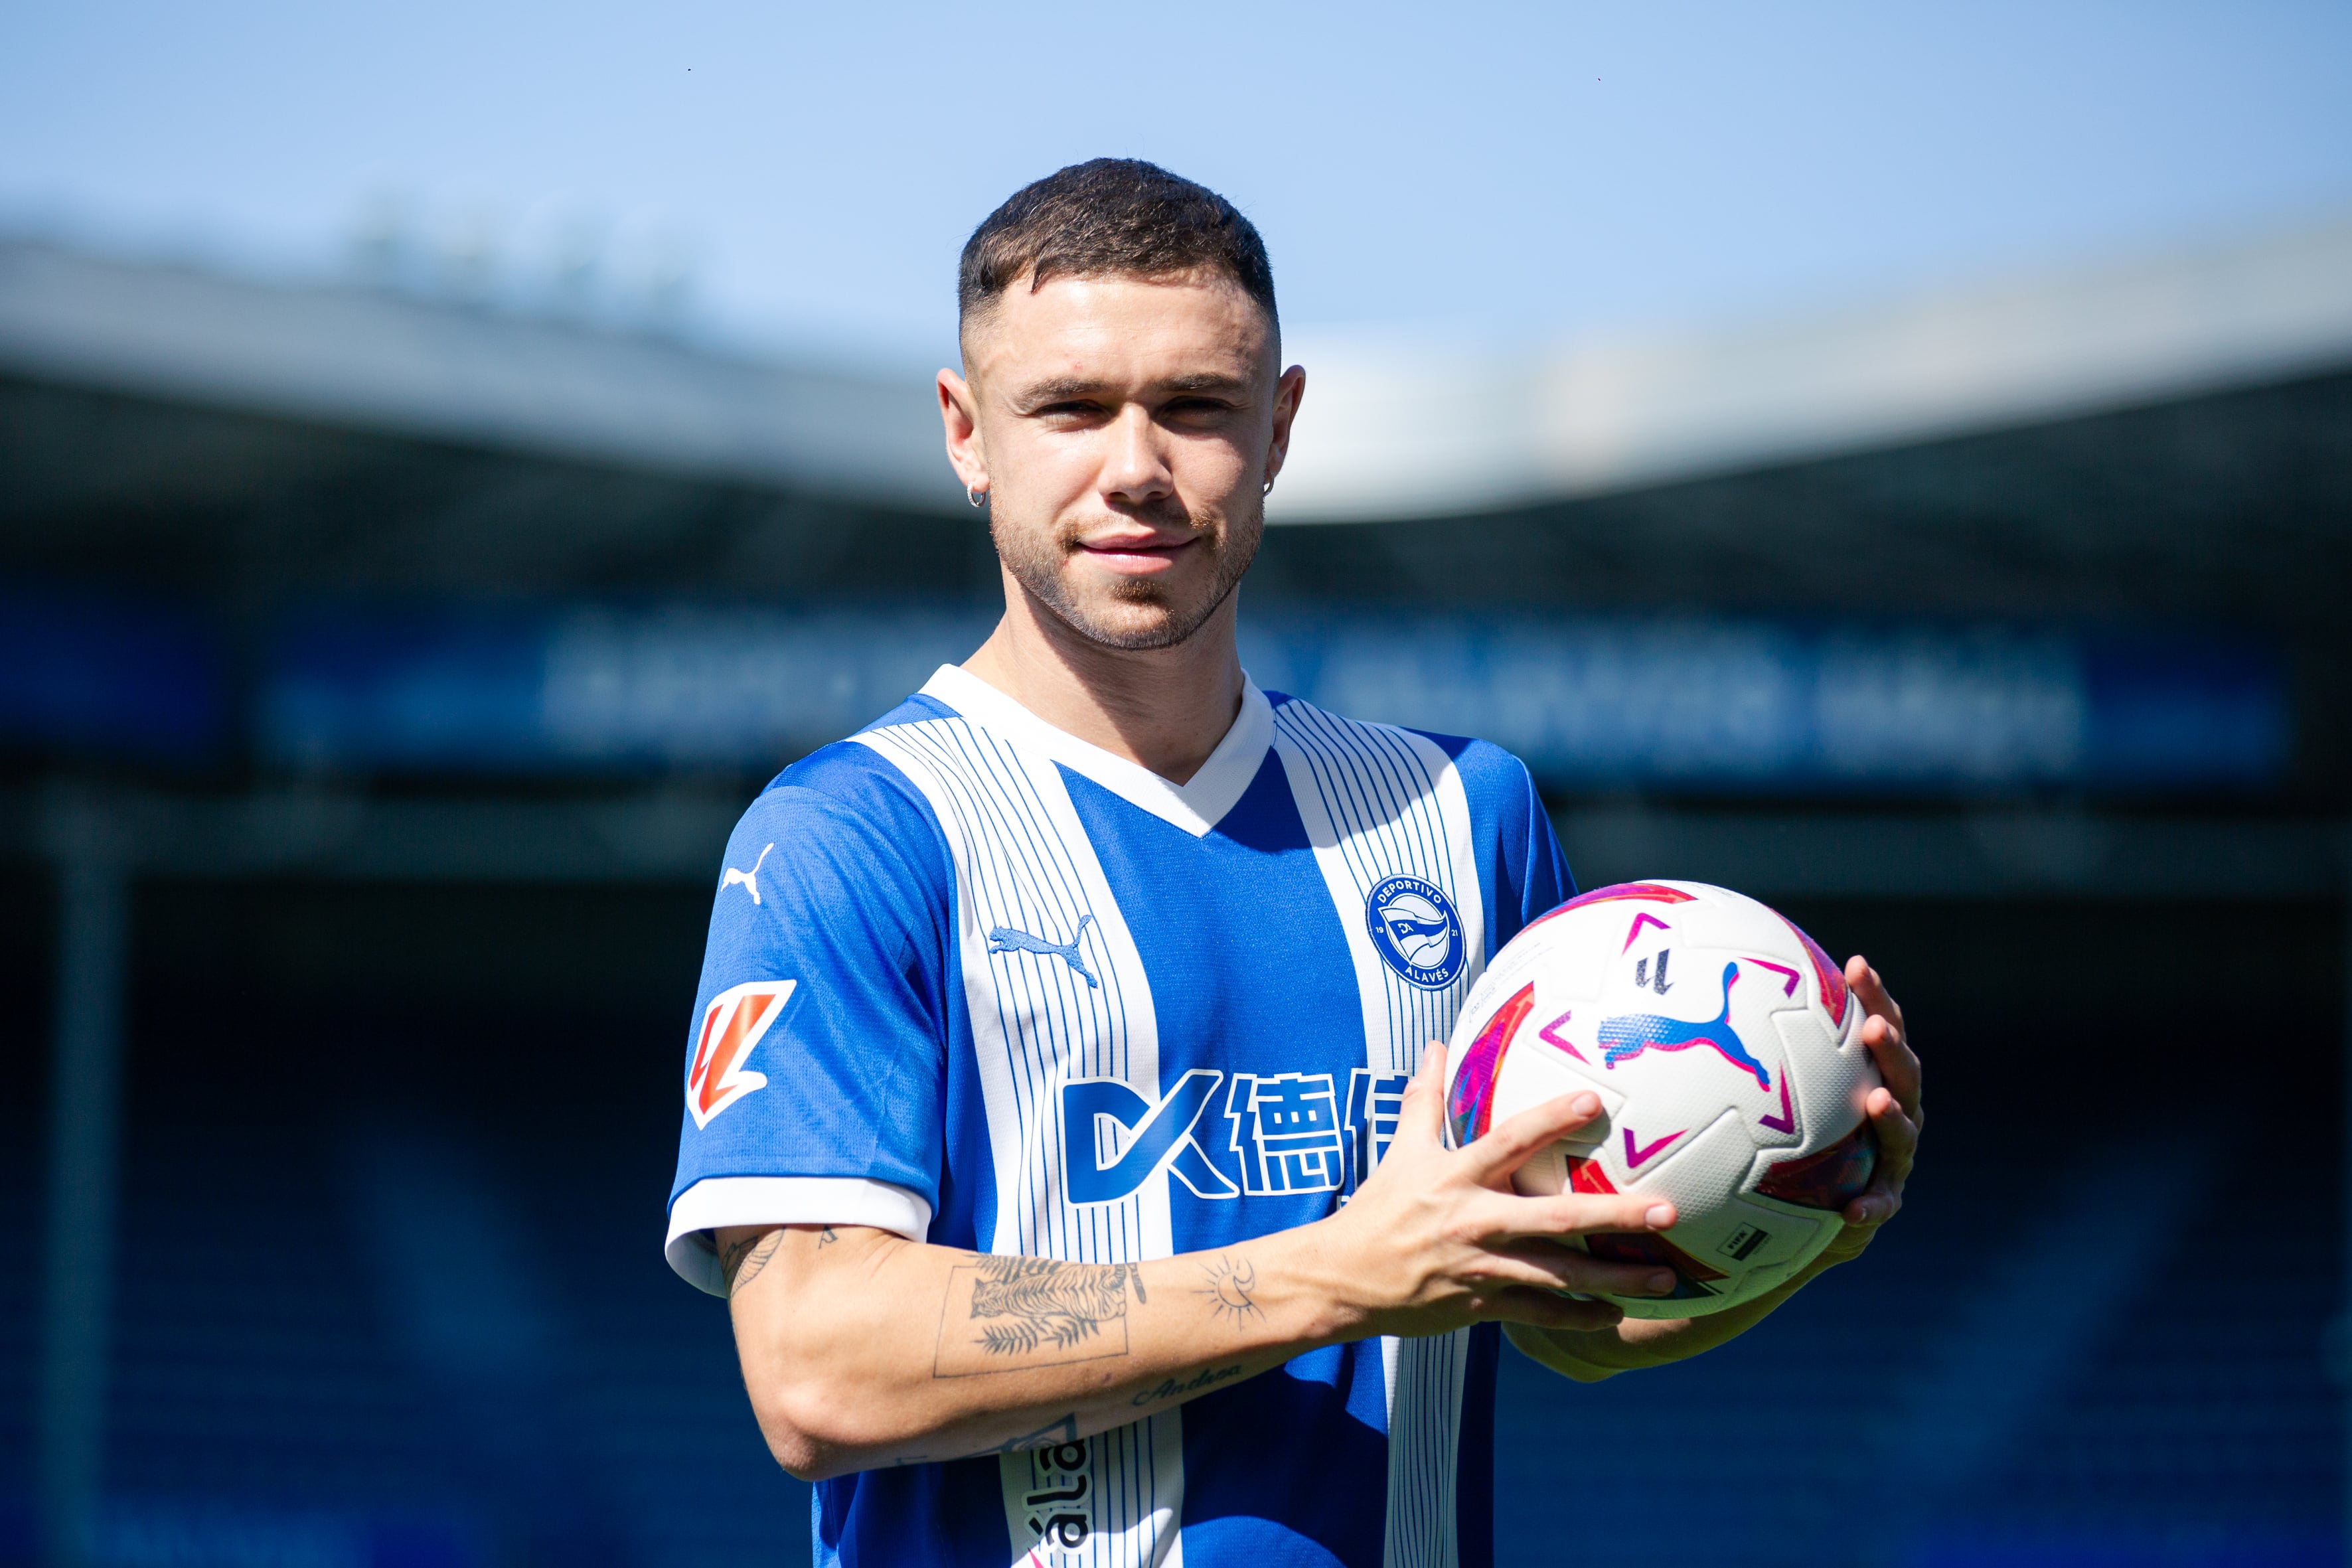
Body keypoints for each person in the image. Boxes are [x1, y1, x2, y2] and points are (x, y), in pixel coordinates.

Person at [664, 158, 1922, 1567]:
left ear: (1279, 424)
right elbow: (816, 1370)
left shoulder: (1461, 812)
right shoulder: (853, 832)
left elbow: (1571, 1317)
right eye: (1069, 407)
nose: (1133, 465)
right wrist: (1343, 1275)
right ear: (966, 434)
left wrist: (1799, 1210)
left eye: (1195, 406)